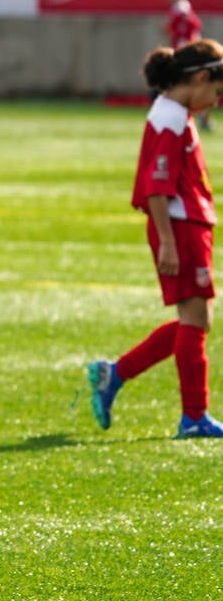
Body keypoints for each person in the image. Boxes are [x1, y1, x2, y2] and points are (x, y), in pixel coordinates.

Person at [86, 40, 223, 439]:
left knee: (194, 321)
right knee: (196, 321)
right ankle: (193, 417)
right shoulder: (171, 119)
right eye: (216, 93)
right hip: (179, 228)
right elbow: (156, 187)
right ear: (200, 78)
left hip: (188, 226)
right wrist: (166, 240)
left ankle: (115, 375)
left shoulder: (175, 112)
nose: (215, 103)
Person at [164, 0, 209, 131]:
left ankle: (187, 118)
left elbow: (175, 29)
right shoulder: (184, 7)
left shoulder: (180, 8)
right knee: (194, 86)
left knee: (183, 86)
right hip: (188, 52)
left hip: (185, 54)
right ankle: (201, 118)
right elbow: (196, 26)